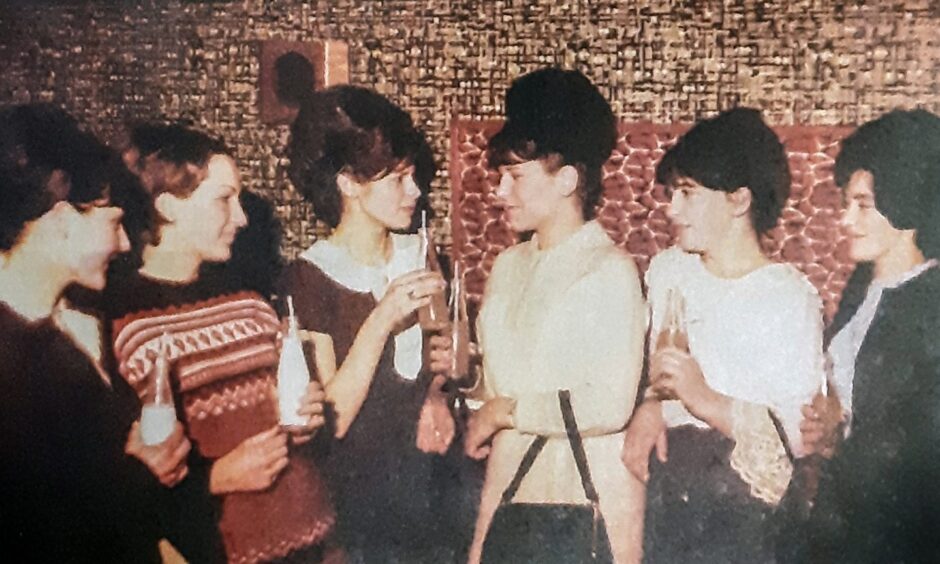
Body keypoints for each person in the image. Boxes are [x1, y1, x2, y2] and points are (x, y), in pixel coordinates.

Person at [0, 104, 223, 562]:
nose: (124, 245)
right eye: (113, 223)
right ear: (61, 222)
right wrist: (141, 473)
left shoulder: (74, 322)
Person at [103, 123, 334, 563]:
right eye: (223, 200)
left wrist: (306, 419)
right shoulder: (119, 321)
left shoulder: (250, 304)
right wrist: (215, 478)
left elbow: (298, 433)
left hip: (312, 545)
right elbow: (118, 487)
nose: (242, 218)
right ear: (168, 205)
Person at [459, 67, 647, 564]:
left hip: (585, 512)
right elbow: (494, 398)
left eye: (515, 176)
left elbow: (609, 403)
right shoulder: (506, 267)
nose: (500, 193)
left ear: (567, 179)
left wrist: (507, 411)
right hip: (509, 501)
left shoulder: (611, 270)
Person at [621, 108, 825, 563]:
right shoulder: (669, 272)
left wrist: (704, 399)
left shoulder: (788, 298)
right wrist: (652, 404)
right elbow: (649, 376)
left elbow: (790, 445)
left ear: (739, 200)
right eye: (672, 192)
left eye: (688, 193)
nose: (671, 208)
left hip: (744, 523)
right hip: (666, 502)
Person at [281, 85, 470, 563]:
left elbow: (443, 369)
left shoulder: (421, 254)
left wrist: (440, 393)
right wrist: (381, 317)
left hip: (433, 500)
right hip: (358, 514)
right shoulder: (309, 277)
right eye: (398, 179)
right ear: (348, 183)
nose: (417, 191)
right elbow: (333, 419)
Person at [799, 109, 940, 563]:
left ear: (905, 200)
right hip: (848, 520)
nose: (845, 220)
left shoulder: (931, 302)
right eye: (847, 202)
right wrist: (832, 430)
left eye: (862, 203)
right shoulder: (861, 286)